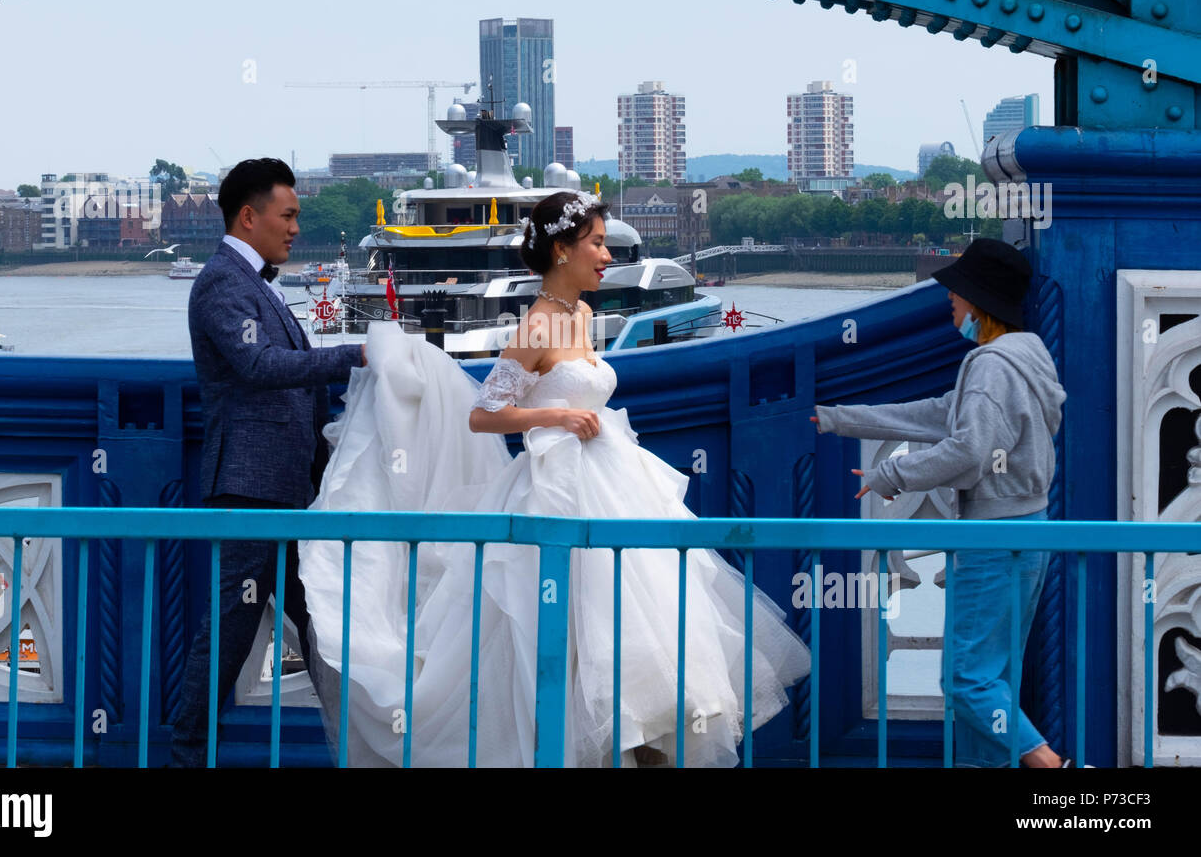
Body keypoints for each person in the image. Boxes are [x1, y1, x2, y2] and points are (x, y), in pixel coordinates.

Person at [298, 190, 810, 767]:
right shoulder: (537, 326)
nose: (606, 256)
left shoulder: (585, 316)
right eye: (596, 244)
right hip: (558, 490)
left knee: (643, 635)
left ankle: (637, 746)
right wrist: (556, 416)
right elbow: (483, 414)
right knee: (575, 631)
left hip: (614, 484)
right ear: (563, 251)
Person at [812, 237, 1072, 767]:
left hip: (992, 537)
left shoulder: (991, 365)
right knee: (994, 676)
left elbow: (968, 451)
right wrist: (841, 419)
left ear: (978, 301)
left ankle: (1055, 769)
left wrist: (892, 473)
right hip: (1027, 530)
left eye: (955, 292)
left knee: (966, 679)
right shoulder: (1025, 358)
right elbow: (939, 414)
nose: (949, 302)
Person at [171, 158, 366, 767]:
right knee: (226, 638)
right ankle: (183, 754)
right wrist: (353, 356)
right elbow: (258, 369)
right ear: (249, 216)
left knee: (328, 628)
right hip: (251, 492)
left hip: (286, 491)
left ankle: (360, 749)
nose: (294, 229)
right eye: (288, 216)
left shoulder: (255, 282)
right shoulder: (223, 282)